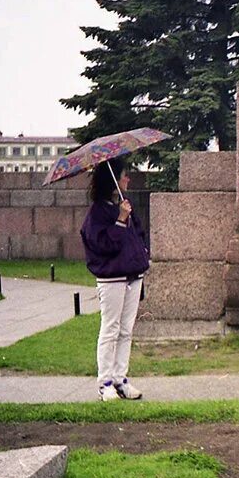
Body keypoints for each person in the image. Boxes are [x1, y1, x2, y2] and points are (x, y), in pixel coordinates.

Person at [80, 157, 150, 401]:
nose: (128, 179)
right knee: (110, 328)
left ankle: (121, 379)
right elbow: (103, 244)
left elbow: (138, 235)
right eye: (124, 175)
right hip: (112, 278)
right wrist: (120, 220)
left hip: (132, 274)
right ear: (114, 181)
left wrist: (143, 253)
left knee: (126, 330)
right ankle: (105, 382)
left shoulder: (125, 206)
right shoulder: (97, 213)